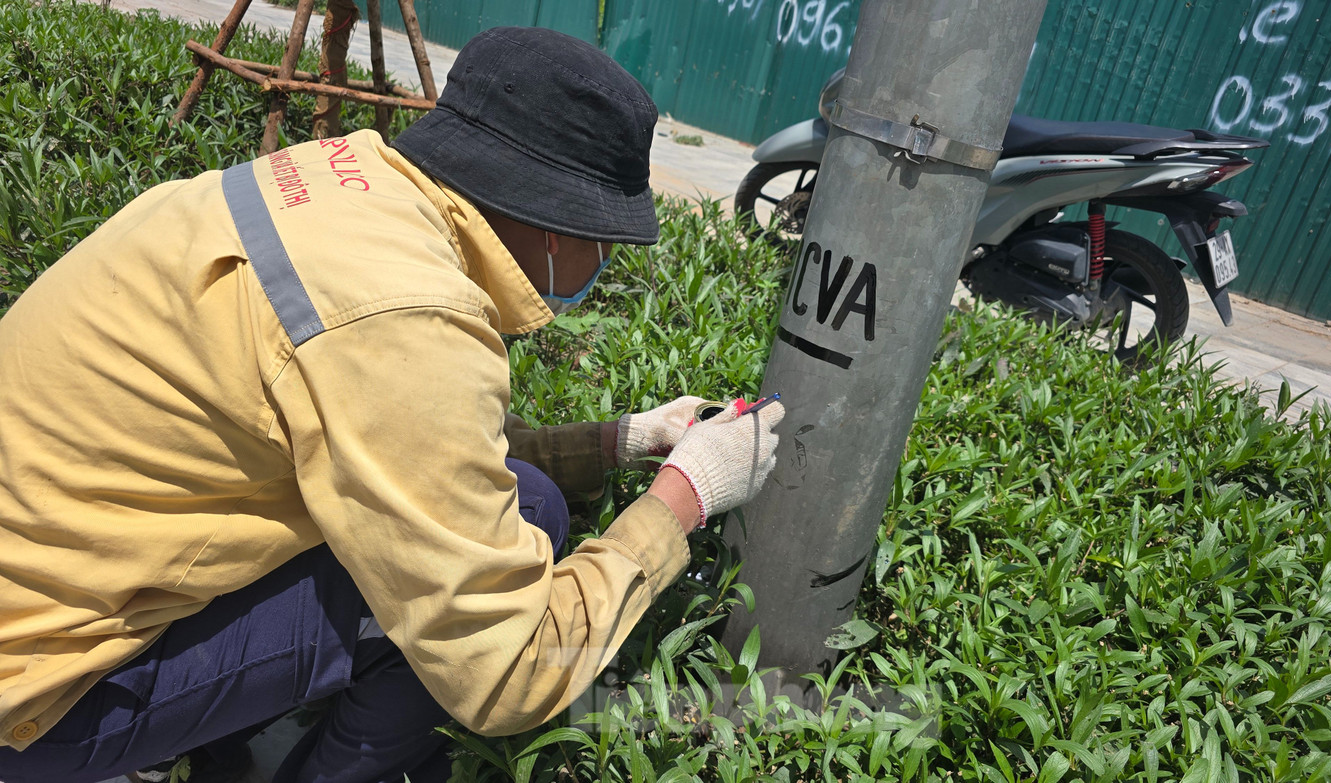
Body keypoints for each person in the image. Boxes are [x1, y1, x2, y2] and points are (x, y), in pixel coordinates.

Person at [0, 26, 784, 783]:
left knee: (530, 501)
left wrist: (619, 440)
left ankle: (203, 744)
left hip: (48, 582)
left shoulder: (347, 182)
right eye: (605, 236)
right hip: (39, 694)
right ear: (552, 218)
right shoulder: (406, 316)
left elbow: (409, 444)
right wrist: (684, 498)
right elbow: (507, 672)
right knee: (478, 587)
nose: (606, 261)